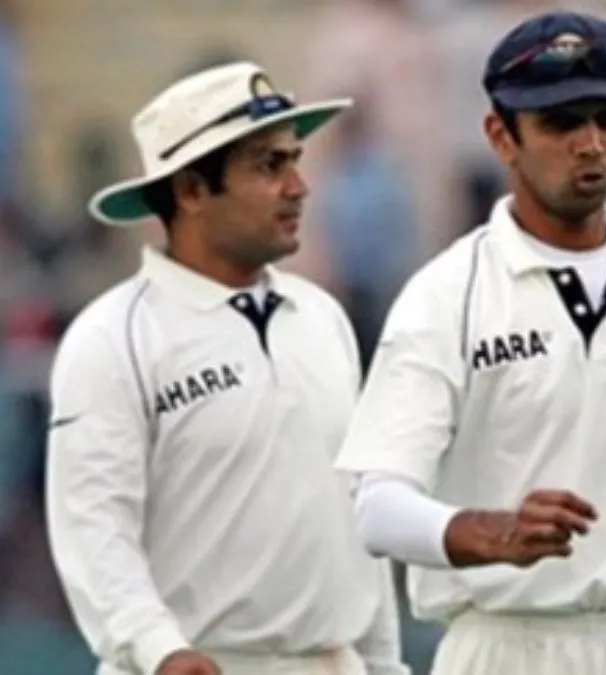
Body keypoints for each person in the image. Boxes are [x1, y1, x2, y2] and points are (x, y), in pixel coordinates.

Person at [333, 10, 606, 675]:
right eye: (561, 122)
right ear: (501, 137)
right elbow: (379, 506)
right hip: (507, 644)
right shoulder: (447, 295)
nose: (590, 144)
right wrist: (488, 531)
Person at [44, 62, 406, 675]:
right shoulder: (112, 337)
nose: (299, 186)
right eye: (269, 166)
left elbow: (353, 515)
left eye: (294, 160)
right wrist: (160, 650)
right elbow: (94, 525)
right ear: (190, 190)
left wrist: (384, 664)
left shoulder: (322, 318)